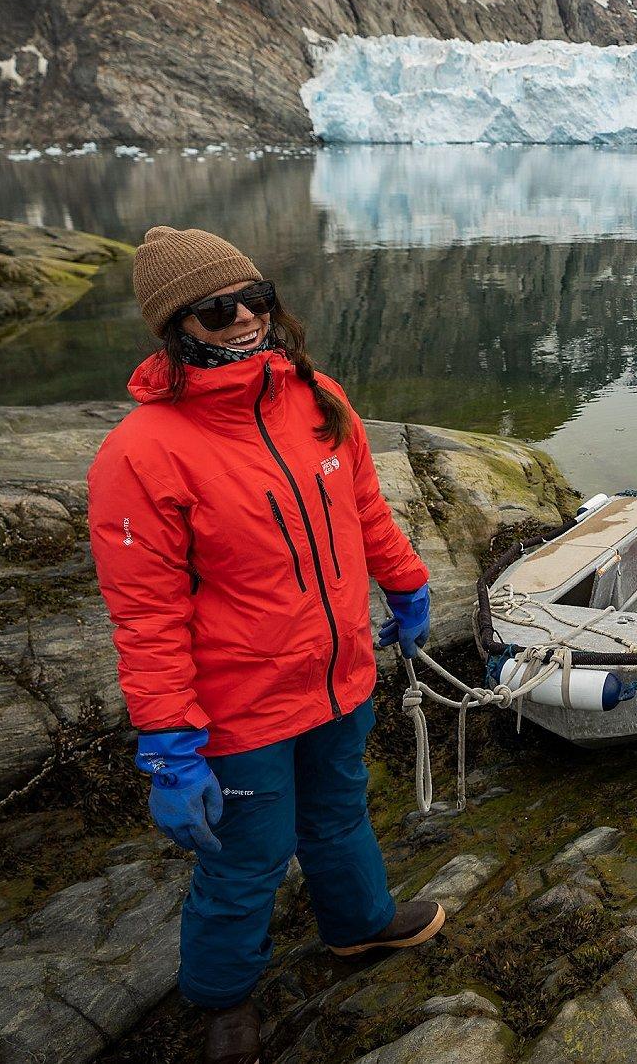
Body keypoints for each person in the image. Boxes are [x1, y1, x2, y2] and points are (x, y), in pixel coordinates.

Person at [86, 226, 444, 1064]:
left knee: (338, 811)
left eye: (256, 298)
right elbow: (146, 617)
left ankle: (357, 925)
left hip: (337, 677)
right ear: (177, 327)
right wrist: (170, 745)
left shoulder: (317, 398)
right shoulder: (141, 454)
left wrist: (407, 584)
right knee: (247, 860)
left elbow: (365, 511)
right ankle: (223, 1005)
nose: (244, 318)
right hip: (238, 710)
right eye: (216, 309)